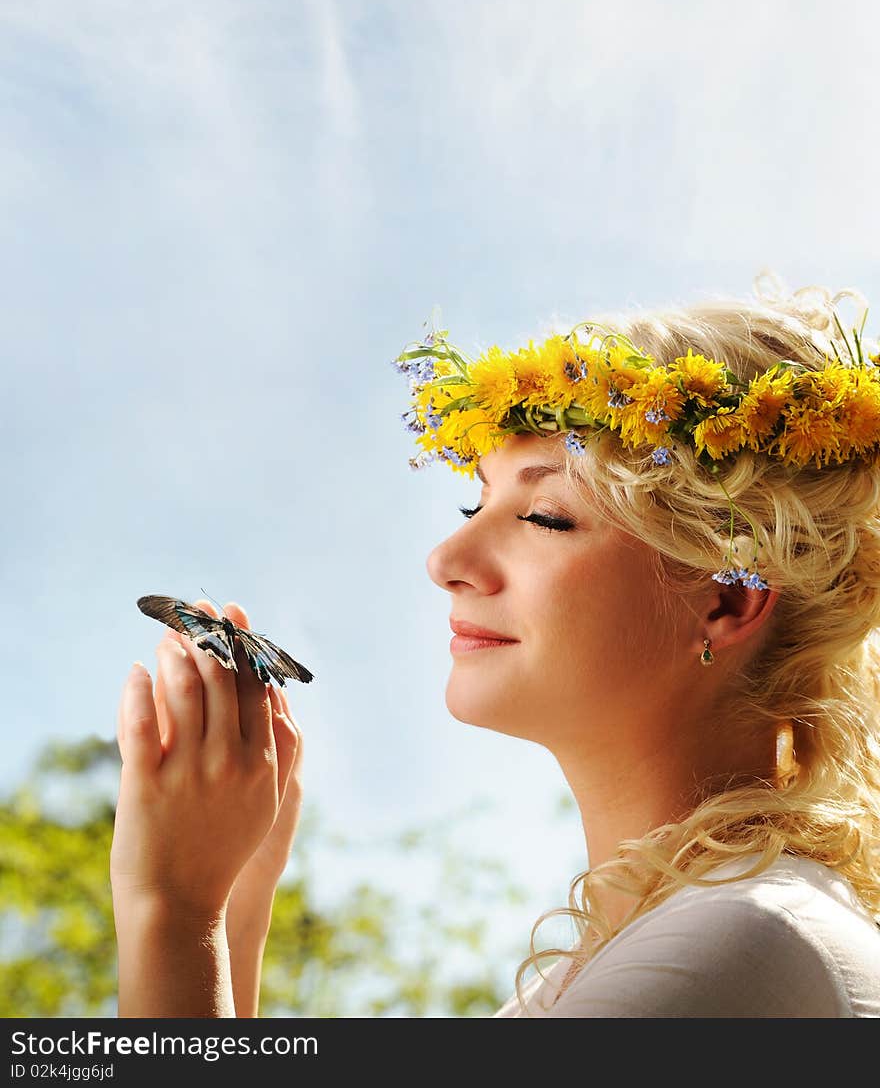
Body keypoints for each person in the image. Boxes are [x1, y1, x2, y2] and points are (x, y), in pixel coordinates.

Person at [111, 271, 880, 1017]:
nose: (445, 561)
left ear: (727, 597)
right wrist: (237, 914)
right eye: (474, 500)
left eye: (545, 515)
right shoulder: (672, 945)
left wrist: (173, 917)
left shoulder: (739, 949)